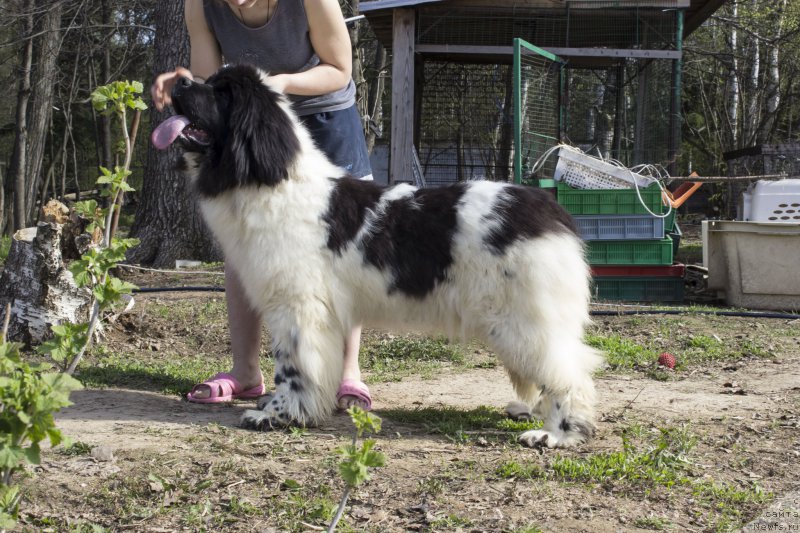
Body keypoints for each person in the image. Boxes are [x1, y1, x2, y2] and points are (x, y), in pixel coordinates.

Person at [151, 0, 372, 410]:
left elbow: (339, 69)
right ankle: (245, 373)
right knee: (244, 242)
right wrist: (189, 85)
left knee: (340, 249)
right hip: (252, 128)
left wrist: (277, 84)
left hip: (322, 115)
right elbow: (209, 77)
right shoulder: (198, 5)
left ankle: (347, 374)